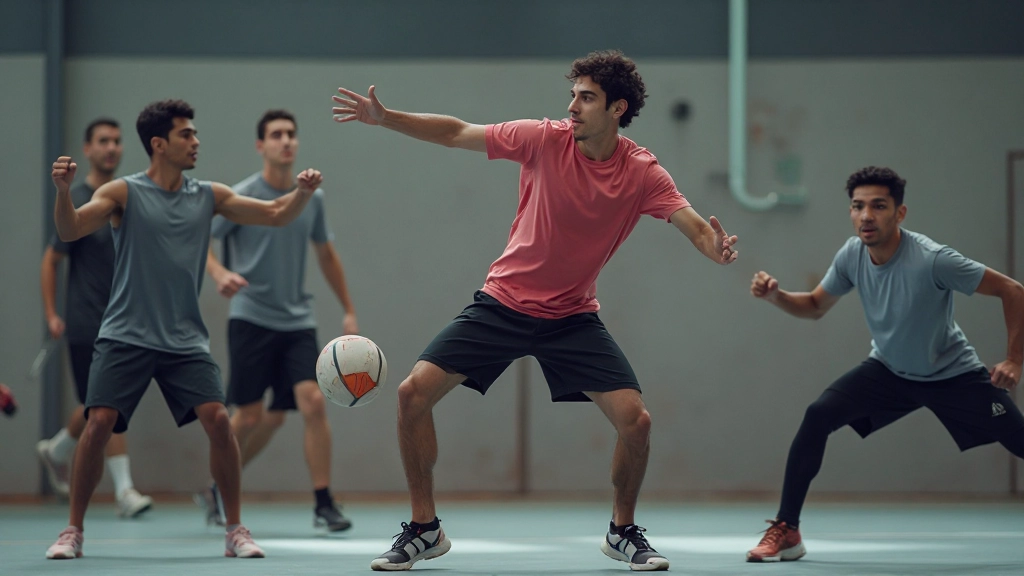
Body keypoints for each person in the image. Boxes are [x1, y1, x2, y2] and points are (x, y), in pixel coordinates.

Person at [331, 49, 738, 571]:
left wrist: (716, 249)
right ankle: (424, 529)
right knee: (412, 395)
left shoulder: (641, 172)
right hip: (502, 305)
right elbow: (457, 132)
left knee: (636, 423)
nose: (573, 106)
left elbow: (695, 226)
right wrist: (387, 118)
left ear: (617, 108)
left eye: (586, 98)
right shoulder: (543, 139)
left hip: (572, 317)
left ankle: (622, 531)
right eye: (572, 95)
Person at [45, 99, 323, 560]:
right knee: (98, 424)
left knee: (218, 420)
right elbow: (71, 229)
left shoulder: (208, 196)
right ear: (159, 144)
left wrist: (303, 193)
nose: (196, 142)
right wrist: (61, 191)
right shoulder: (123, 194)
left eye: (194, 134)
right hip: (124, 335)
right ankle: (72, 530)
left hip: (184, 341)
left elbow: (275, 214)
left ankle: (235, 528)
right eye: (186, 135)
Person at [745, 166, 1024, 563]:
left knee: (1019, 440)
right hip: (890, 371)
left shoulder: (932, 259)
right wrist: (777, 296)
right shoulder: (851, 254)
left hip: (954, 375)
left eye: (878, 206)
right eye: (858, 206)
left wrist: (1014, 359)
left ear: (900, 213)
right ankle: (787, 530)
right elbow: (814, 306)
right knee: (818, 415)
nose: (866, 216)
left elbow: (1012, 290)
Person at [197, 109, 358, 532]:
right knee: (249, 417)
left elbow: (325, 253)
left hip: (297, 320)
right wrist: (219, 274)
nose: (285, 140)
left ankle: (324, 503)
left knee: (313, 402)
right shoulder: (243, 196)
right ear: (260, 145)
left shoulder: (312, 199)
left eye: (291, 133)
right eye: (276, 134)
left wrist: (348, 308)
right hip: (250, 318)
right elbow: (204, 243)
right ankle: (217, 487)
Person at [35, 118, 152, 518]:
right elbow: (51, 261)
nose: (112, 148)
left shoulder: (122, 198)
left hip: (123, 321)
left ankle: (58, 449)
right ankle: (124, 492)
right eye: (103, 141)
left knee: (95, 403)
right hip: (87, 322)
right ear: (88, 149)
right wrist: (52, 313)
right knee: (107, 404)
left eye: (117, 142)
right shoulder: (81, 199)